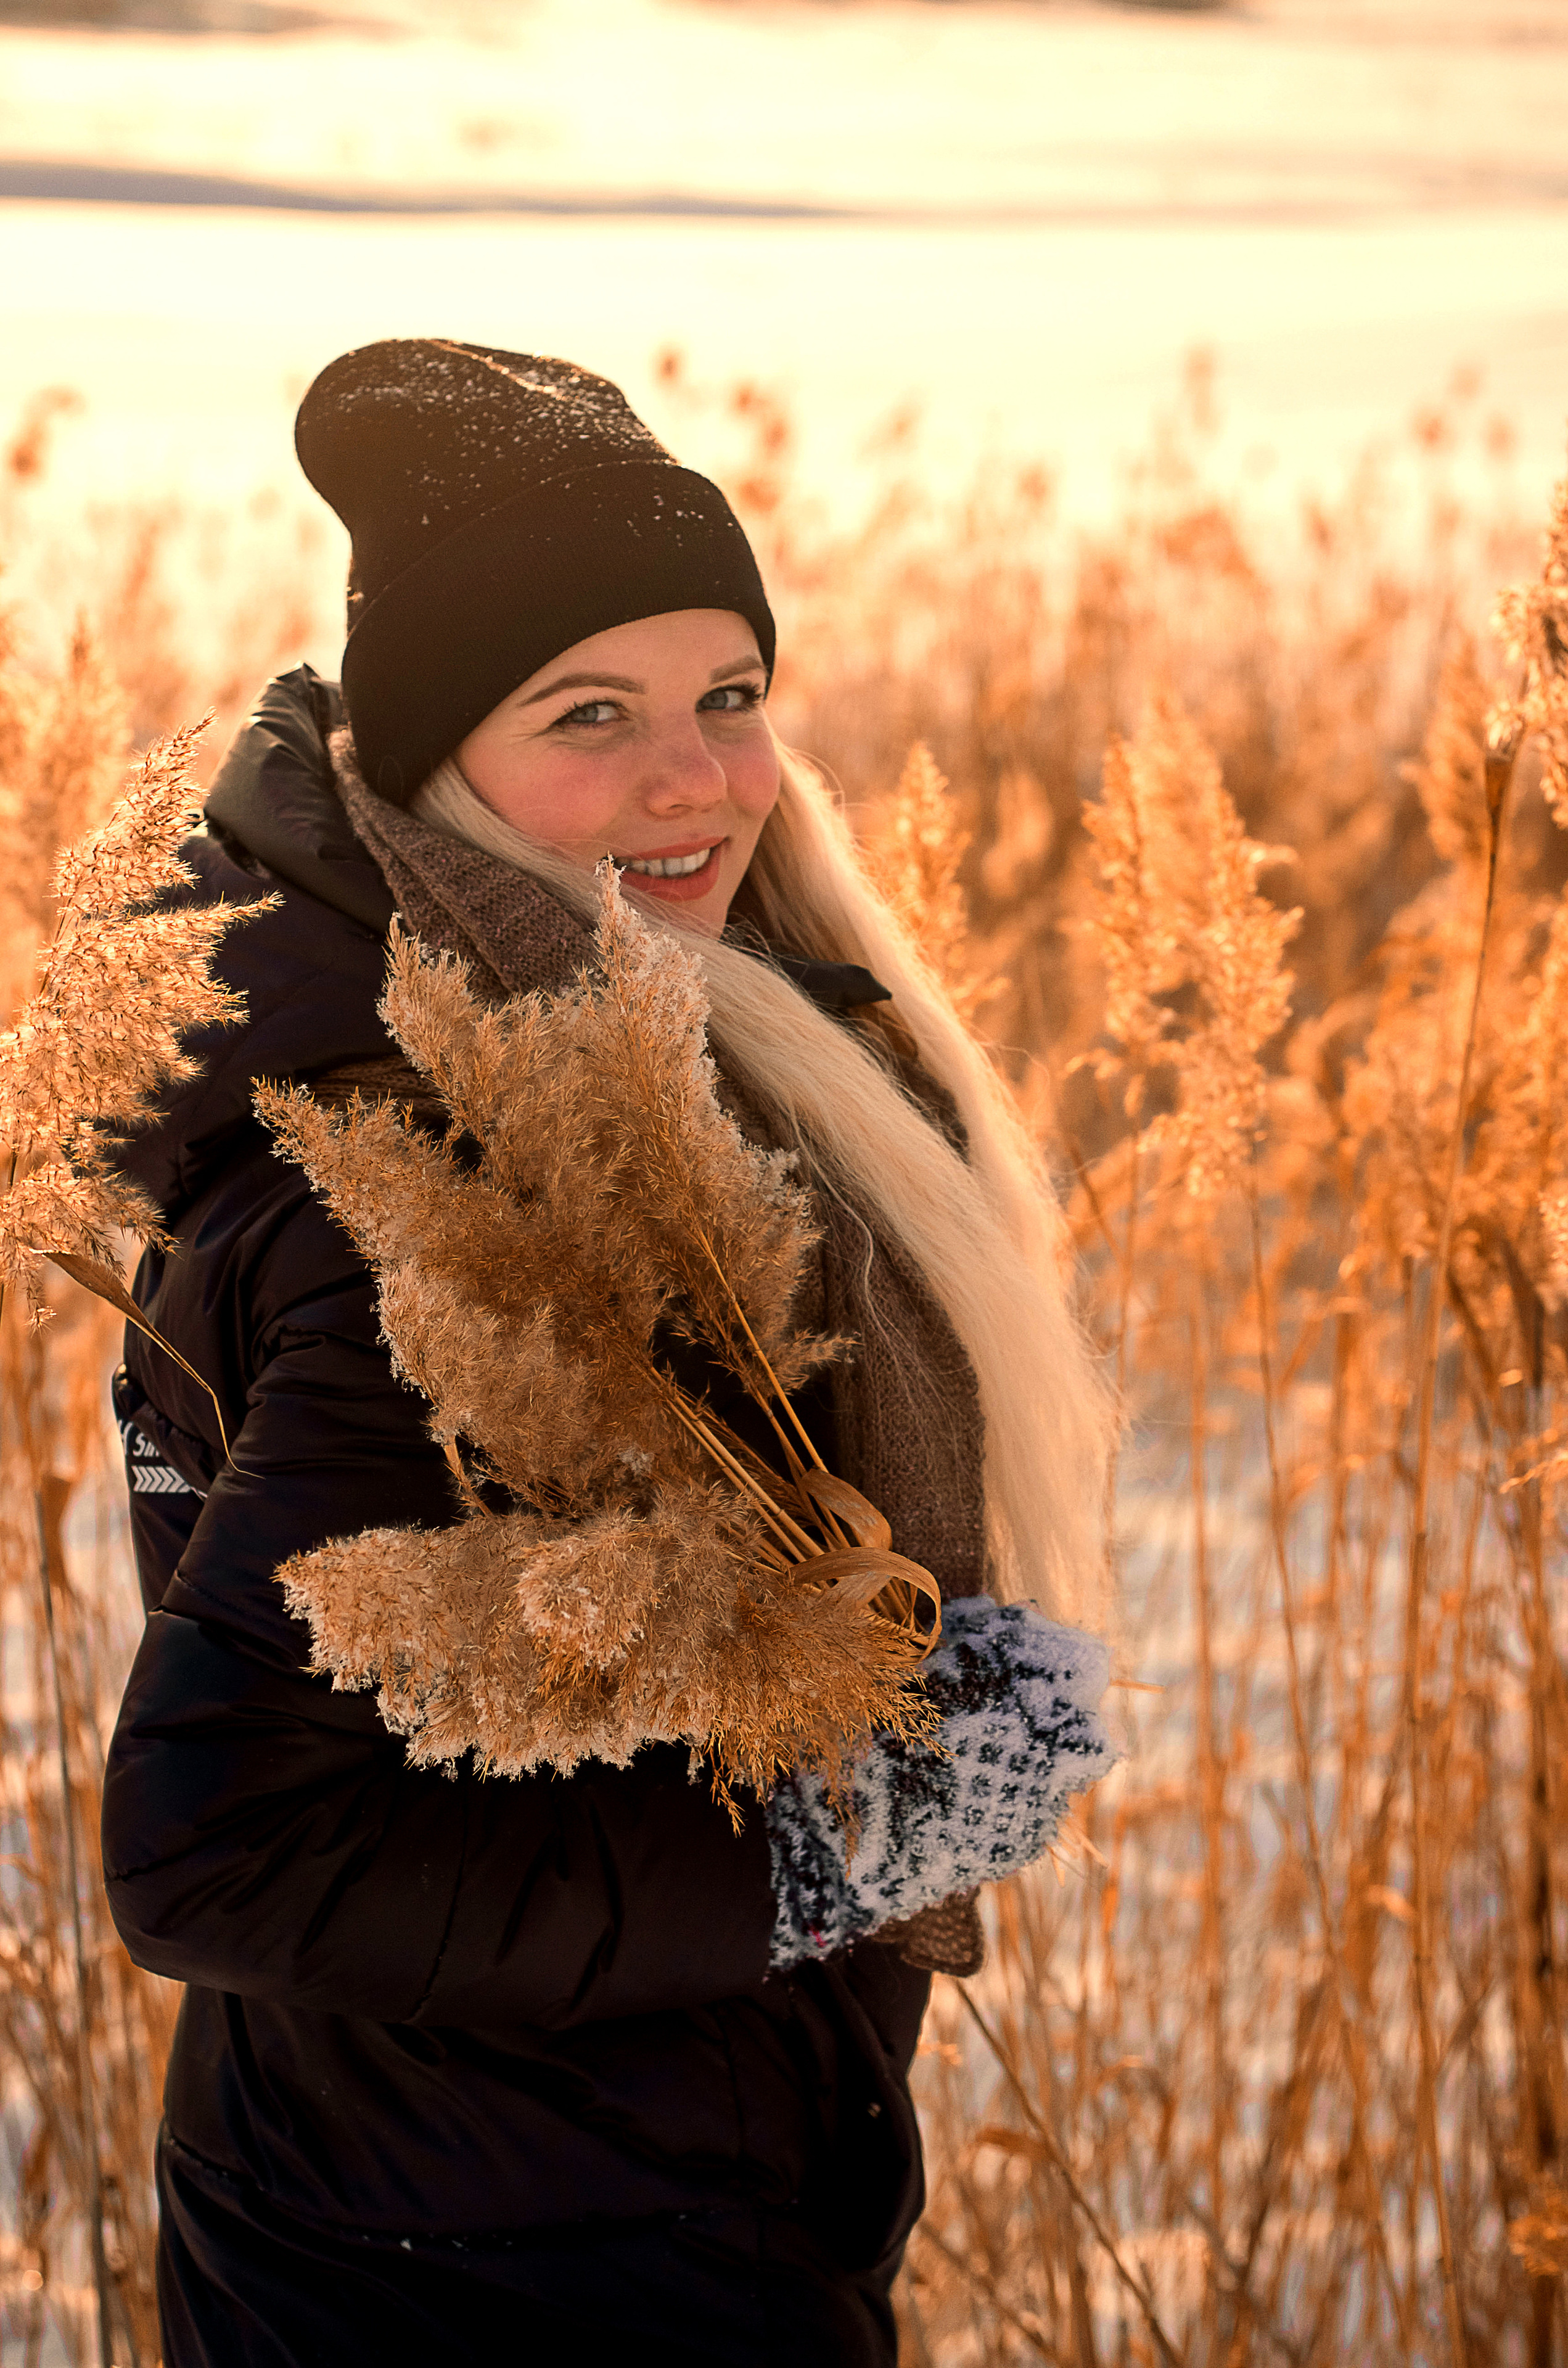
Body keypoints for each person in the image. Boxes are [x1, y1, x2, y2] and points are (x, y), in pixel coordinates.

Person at [102, 339, 1113, 2368]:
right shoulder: (427, 1198)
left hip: (557, 2206)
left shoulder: (674, 1070)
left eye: (731, 696)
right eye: (591, 716)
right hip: (486, 2279)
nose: (699, 780)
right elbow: (217, 1853)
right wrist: (821, 1851)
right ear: (431, 768)